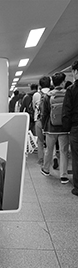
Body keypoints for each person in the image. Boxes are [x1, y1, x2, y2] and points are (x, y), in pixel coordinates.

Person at [41, 72, 69, 184]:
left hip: (50, 128)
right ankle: (63, 175)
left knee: (49, 149)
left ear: (53, 82)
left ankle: (46, 169)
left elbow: (45, 113)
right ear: (63, 82)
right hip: (64, 128)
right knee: (64, 151)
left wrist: (43, 126)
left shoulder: (48, 95)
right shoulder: (68, 94)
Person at [62, 60, 78, 195]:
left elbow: (66, 111)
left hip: (76, 127)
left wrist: (67, 128)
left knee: (76, 156)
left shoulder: (72, 90)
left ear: (76, 72)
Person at [33, 76, 51, 165]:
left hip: (39, 120)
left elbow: (34, 107)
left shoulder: (36, 95)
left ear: (40, 85)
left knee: (40, 141)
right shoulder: (52, 93)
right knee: (51, 142)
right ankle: (52, 158)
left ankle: (41, 159)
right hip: (50, 121)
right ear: (50, 83)